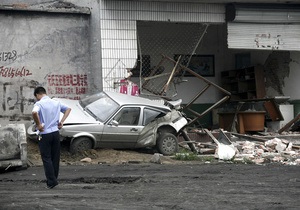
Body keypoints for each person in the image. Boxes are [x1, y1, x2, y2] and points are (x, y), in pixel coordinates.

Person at [32, 86, 71, 189]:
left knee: (46, 158)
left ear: (37, 95)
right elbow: (68, 109)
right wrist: (62, 121)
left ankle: (52, 181)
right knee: (55, 157)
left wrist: (39, 125)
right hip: (55, 133)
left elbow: (34, 112)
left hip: (44, 134)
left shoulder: (39, 104)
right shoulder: (56, 102)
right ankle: (54, 179)